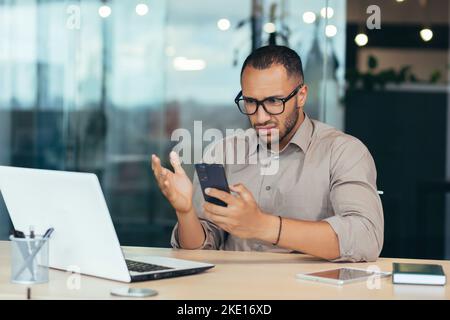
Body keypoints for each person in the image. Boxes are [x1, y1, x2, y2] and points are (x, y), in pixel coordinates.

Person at [151, 45, 383, 262]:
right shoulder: (222, 152)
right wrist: (185, 212)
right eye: (250, 102)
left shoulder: (343, 152)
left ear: (301, 96)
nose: (260, 117)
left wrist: (263, 225)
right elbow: (202, 250)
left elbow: (366, 238)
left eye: (273, 101)